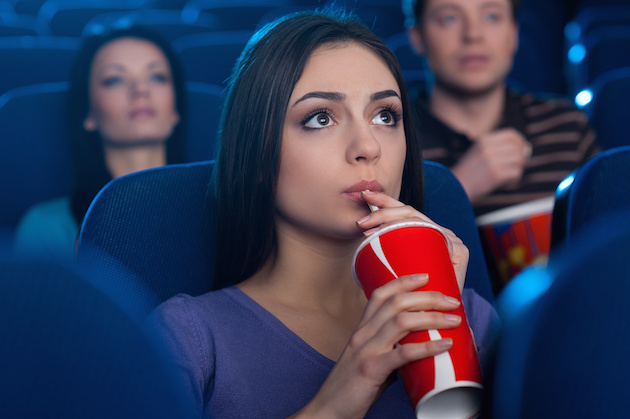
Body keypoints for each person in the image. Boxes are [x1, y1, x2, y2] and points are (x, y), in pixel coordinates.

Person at [150, 10, 499, 418]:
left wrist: (451, 344)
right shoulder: (189, 339)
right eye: (320, 118)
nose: (368, 146)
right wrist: (334, 405)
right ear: (258, 156)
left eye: (385, 116)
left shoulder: (470, 315)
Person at [402, 0, 600, 216]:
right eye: (449, 18)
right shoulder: (393, 138)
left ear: (513, 33)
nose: (473, 35)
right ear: (417, 36)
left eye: (491, 17)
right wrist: (460, 186)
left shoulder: (568, 126)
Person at [13, 25, 186, 259]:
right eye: (114, 79)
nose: (141, 89)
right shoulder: (46, 229)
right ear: (89, 113)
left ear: (176, 108)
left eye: (157, 77)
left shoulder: (220, 214)